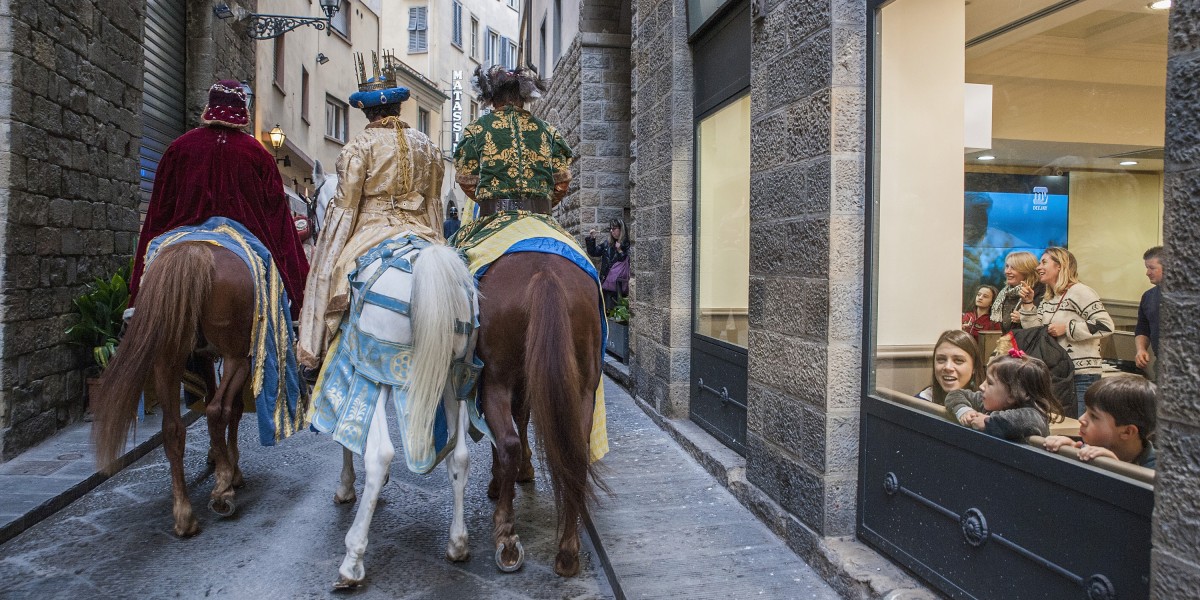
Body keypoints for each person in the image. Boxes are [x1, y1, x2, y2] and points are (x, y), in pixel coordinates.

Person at [296, 54, 445, 369]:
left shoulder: (358, 147)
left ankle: (317, 351)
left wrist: (329, 253)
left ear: (366, 111)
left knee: (331, 275)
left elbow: (344, 208)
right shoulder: (428, 147)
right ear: (398, 107)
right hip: (423, 231)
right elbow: (434, 205)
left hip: (371, 229)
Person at [129, 80, 309, 320]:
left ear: (209, 106)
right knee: (272, 294)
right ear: (243, 109)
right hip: (243, 236)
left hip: (183, 231)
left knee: (154, 261)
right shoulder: (259, 155)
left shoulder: (179, 148)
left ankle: (136, 318)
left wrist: (137, 284)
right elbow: (277, 219)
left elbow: (158, 211)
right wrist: (296, 286)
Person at [453, 65, 574, 216]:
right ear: (524, 97)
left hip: (494, 216)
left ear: (492, 99)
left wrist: (488, 201)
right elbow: (562, 181)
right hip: (540, 215)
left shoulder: (476, 129)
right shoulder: (549, 131)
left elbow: (466, 179)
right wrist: (541, 204)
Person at [1018, 246, 1114, 418]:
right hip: (1058, 375)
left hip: (1081, 376)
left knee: (1080, 429)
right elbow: (1035, 331)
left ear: (1060, 266)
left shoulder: (1080, 292)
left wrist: (1068, 328)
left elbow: (1105, 325)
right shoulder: (1049, 299)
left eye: (1044, 262)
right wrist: (1027, 304)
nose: (1038, 267)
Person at [945, 350, 1063, 441]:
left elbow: (1029, 420)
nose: (981, 386)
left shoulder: (1034, 415)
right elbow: (955, 394)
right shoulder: (987, 403)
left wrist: (987, 422)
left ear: (1012, 395)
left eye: (990, 383)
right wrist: (964, 410)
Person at [1043, 374, 1156, 468]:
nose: (1081, 419)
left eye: (1094, 416)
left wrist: (1115, 469)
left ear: (1127, 432)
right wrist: (1070, 452)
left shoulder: (1159, 473)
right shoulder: (1088, 450)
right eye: (1086, 411)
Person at [916, 330, 983, 405]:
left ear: (974, 367)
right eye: (941, 359)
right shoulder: (920, 404)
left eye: (958, 360)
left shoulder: (989, 405)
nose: (948, 367)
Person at [990, 251, 1044, 334]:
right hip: (1008, 343)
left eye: (1013, 268)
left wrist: (1024, 318)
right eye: (1007, 266)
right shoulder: (1004, 293)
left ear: (1027, 270)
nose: (1007, 271)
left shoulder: (1041, 293)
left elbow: (1045, 326)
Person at [586, 219, 629, 309]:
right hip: (606, 284)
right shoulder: (607, 244)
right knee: (606, 311)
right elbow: (593, 252)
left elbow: (627, 263)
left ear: (621, 230)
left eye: (614, 228)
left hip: (619, 287)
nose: (611, 231)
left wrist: (620, 251)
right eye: (611, 228)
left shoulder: (627, 244)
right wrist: (592, 239)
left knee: (617, 315)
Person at [1135, 246, 1163, 374]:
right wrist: (1141, 349)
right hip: (1162, 364)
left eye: (1152, 268)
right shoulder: (1148, 296)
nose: (1147, 273)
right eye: (1147, 268)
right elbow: (1143, 327)